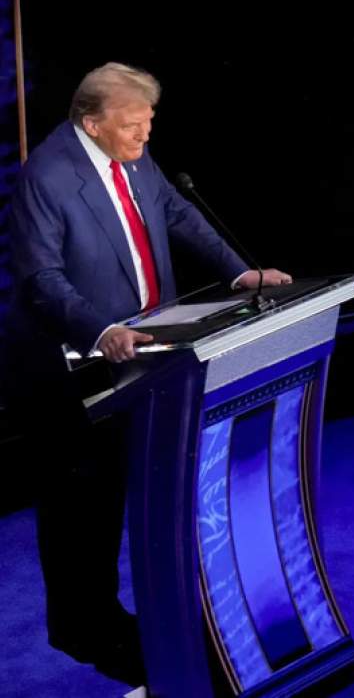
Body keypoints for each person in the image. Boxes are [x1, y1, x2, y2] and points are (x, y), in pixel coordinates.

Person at [4, 62, 291, 686]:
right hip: (73, 372)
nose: (144, 136)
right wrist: (101, 331)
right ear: (91, 123)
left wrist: (243, 273)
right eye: (133, 126)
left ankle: (165, 625)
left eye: (149, 123)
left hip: (149, 358)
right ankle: (86, 629)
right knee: (85, 509)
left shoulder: (133, 155)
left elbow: (178, 216)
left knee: (143, 487)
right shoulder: (48, 179)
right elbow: (39, 281)